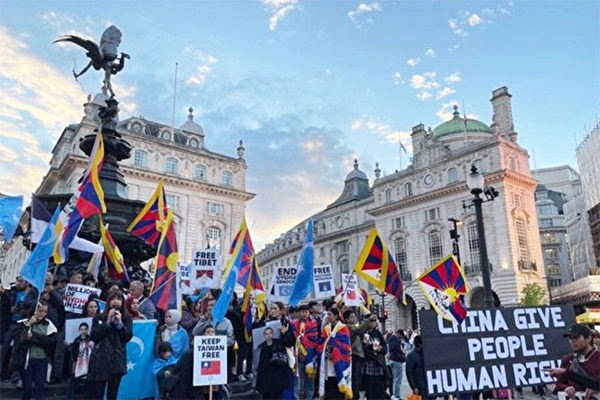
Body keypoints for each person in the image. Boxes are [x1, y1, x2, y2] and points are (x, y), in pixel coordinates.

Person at [87, 290, 133, 400]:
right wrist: (107, 323)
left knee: (112, 394)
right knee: (97, 393)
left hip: (117, 360)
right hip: (101, 359)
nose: (115, 301)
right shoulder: (99, 318)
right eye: (113, 299)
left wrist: (120, 324)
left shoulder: (127, 318)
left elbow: (127, 337)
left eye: (118, 299)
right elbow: (94, 336)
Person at [10, 300, 57, 400]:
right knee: (27, 389)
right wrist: (28, 324)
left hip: (42, 360)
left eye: (44, 311)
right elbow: (19, 341)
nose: (42, 314)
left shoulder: (49, 325)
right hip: (27, 361)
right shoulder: (23, 323)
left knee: (40, 389)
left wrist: (33, 338)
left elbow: (51, 343)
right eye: (40, 311)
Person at [546, 324, 600, 400]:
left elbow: (595, 382)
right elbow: (559, 384)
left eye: (576, 337)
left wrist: (595, 387)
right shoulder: (568, 359)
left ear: (588, 338)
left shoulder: (597, 357)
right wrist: (567, 388)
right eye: (570, 338)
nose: (572, 341)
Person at [317, 307, 353, 400]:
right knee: (329, 387)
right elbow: (322, 341)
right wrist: (326, 348)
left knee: (338, 388)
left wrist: (334, 349)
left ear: (336, 316)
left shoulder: (343, 328)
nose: (328, 317)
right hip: (328, 362)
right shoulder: (326, 329)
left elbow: (345, 345)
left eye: (330, 315)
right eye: (327, 315)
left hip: (339, 361)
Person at [256, 326, 293, 400]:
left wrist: (284, 333)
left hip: (279, 376)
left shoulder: (278, 342)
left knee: (278, 396)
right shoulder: (262, 348)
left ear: (273, 334)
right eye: (266, 334)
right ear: (264, 336)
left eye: (270, 333)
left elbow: (289, 343)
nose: (269, 335)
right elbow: (261, 366)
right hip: (267, 378)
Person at [344, 310, 374, 400]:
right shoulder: (348, 327)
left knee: (358, 380)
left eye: (355, 316)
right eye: (352, 317)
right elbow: (359, 328)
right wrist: (367, 319)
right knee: (355, 381)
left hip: (359, 355)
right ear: (347, 319)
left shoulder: (354, 327)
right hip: (354, 355)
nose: (355, 318)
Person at [292, 304, 319, 400]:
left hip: (310, 356)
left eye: (306, 312)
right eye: (303, 312)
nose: (304, 314)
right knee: (297, 380)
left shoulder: (313, 324)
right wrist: (299, 353)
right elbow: (294, 339)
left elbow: (314, 340)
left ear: (309, 313)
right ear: (299, 313)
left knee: (309, 380)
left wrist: (307, 353)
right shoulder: (294, 325)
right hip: (297, 356)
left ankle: (309, 398)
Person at [362, 315, 389, 400]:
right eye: (371, 321)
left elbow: (385, 348)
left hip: (379, 363)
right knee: (370, 388)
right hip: (368, 364)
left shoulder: (378, 333)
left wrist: (381, 349)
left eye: (374, 321)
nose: (373, 323)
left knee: (380, 388)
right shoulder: (363, 333)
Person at [65, 322, 94, 400]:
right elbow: (74, 353)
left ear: (87, 330)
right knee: (73, 384)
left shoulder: (92, 340)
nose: (83, 331)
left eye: (85, 329)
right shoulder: (76, 340)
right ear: (79, 330)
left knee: (90, 388)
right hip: (78, 366)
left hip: (89, 366)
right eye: (81, 329)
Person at [406, 335, 428, 400]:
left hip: (426, 385)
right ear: (419, 344)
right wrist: (414, 387)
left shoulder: (425, 354)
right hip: (419, 386)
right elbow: (409, 373)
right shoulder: (411, 356)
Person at [388, 329, 407, 400]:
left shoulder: (391, 338)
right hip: (396, 360)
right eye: (401, 336)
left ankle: (394, 394)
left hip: (392, 360)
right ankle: (396, 395)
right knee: (398, 379)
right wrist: (403, 357)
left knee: (394, 378)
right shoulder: (395, 340)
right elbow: (396, 350)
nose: (401, 338)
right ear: (399, 334)